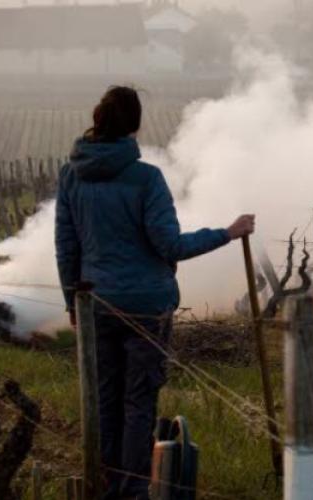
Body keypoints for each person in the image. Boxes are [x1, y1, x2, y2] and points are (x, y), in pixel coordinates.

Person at [55, 86, 254, 499]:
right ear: (134, 125)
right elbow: (170, 246)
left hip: (96, 304)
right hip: (147, 307)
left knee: (104, 399)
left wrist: (71, 301)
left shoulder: (71, 174)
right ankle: (133, 491)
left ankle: (106, 486)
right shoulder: (146, 178)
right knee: (138, 402)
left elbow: (66, 245)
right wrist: (228, 233)